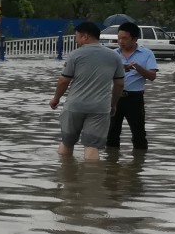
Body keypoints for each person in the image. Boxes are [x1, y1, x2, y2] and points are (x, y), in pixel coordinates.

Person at [50, 21, 125, 161]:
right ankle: (92, 180)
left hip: (75, 106)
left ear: (85, 37)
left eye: (77, 37)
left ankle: (66, 175)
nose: (75, 40)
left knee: (67, 142)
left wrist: (56, 99)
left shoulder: (75, 55)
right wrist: (113, 104)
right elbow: (119, 84)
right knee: (92, 146)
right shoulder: (114, 56)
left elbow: (63, 81)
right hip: (100, 108)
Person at [109, 21, 158, 149]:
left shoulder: (147, 54)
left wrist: (138, 68)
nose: (121, 41)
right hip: (115, 97)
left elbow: (152, 76)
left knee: (139, 134)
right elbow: (105, 75)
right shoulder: (113, 54)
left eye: (124, 38)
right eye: (119, 38)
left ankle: (139, 164)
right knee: (111, 133)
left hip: (135, 98)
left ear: (134, 39)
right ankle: (111, 164)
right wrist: (122, 69)